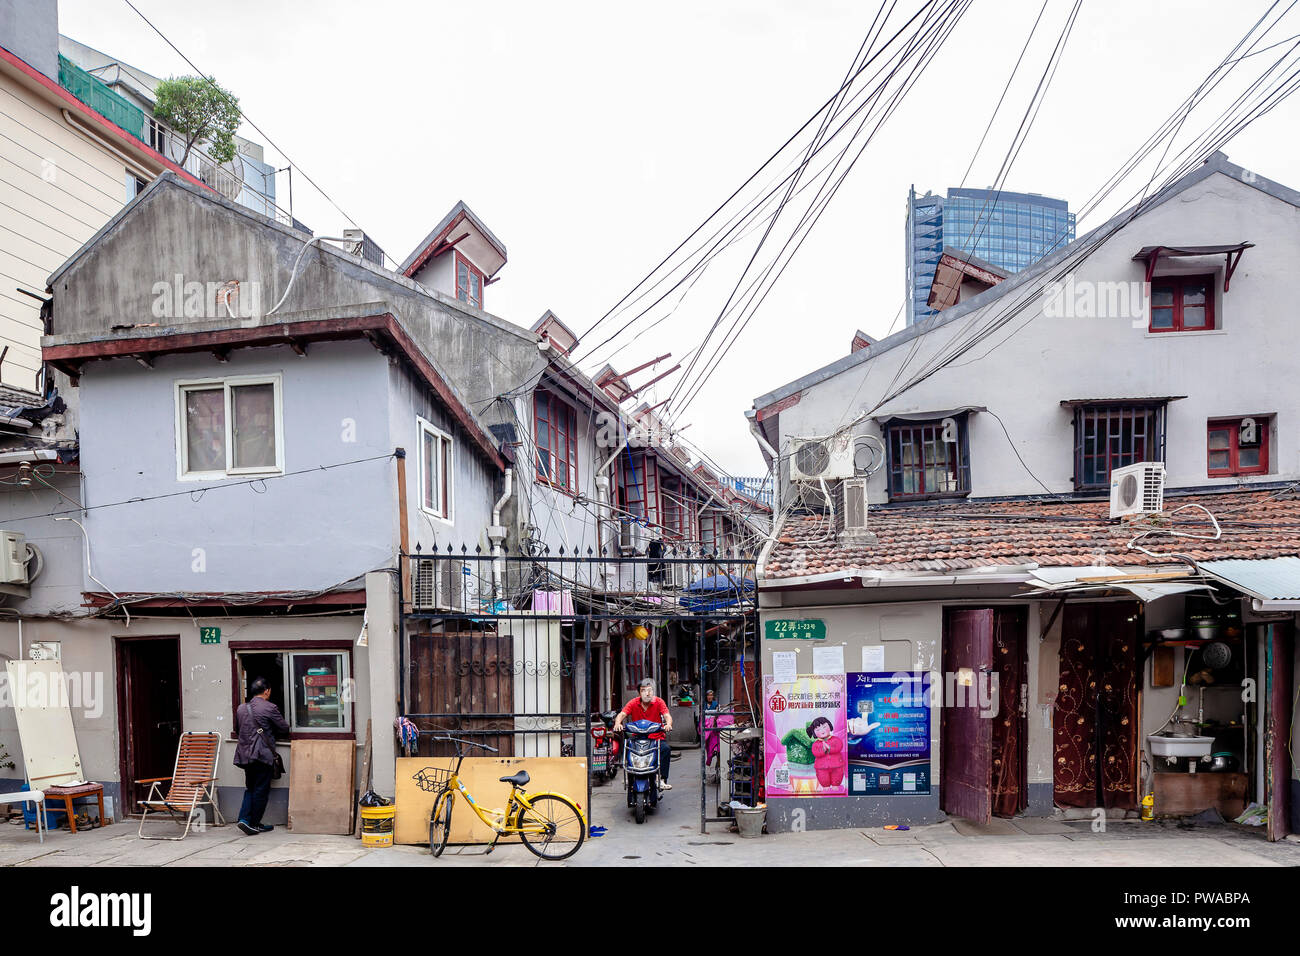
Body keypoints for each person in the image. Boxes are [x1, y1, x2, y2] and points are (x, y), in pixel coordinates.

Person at [233, 677, 290, 835]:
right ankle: (254, 824)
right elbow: (284, 728)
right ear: (267, 691)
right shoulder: (270, 707)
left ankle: (244, 819)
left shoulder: (241, 708)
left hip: (245, 755)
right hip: (262, 755)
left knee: (250, 788)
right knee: (260, 790)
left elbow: (238, 730)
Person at [613, 678, 674, 790]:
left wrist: (668, 724)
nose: (647, 693)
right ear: (639, 692)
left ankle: (661, 779)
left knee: (665, 749)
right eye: (644, 690)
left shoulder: (659, 702)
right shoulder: (633, 703)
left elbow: (667, 715)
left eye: (649, 690)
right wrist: (617, 723)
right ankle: (630, 777)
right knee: (628, 749)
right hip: (638, 738)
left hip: (656, 738)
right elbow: (622, 714)